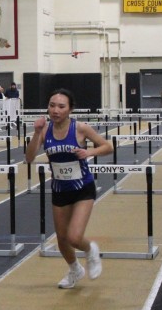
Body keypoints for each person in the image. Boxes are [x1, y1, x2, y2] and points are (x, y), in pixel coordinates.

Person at [25, 89, 112, 289]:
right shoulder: (44, 130)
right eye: (52, 105)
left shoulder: (80, 128)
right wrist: (37, 133)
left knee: (74, 237)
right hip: (60, 189)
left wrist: (89, 152)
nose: (55, 110)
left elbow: (108, 147)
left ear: (70, 109)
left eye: (61, 106)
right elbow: (29, 158)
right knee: (62, 240)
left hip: (83, 188)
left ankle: (90, 250)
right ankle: (75, 270)